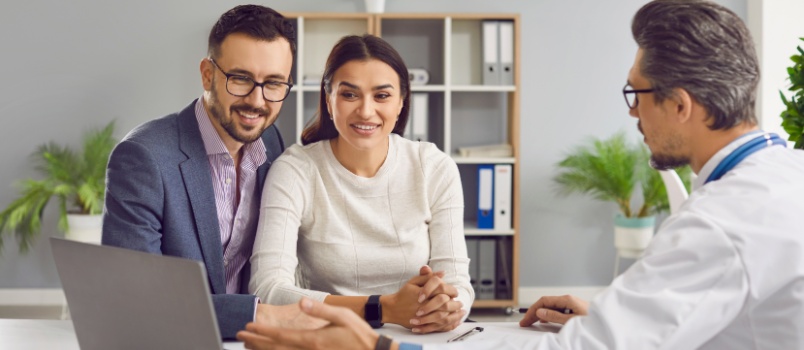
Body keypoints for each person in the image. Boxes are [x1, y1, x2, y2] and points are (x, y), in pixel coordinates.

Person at [236, 1, 804, 349]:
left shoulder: (720, 222)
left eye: (637, 93)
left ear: (680, 104)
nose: (632, 111)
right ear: (327, 100)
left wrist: (386, 343)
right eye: (348, 94)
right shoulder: (782, 177)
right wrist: (607, 317)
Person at [101, 5, 309, 339]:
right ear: (207, 74)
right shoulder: (143, 158)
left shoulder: (270, 140)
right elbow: (135, 299)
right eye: (240, 79)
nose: (257, 101)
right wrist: (266, 316)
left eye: (273, 83)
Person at [248, 34, 474, 334]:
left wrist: (447, 307)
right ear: (329, 101)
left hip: (417, 335)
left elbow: (458, 284)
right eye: (350, 95)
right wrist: (382, 308)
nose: (366, 111)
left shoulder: (434, 167)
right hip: (325, 336)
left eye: (381, 96)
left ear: (401, 104)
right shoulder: (295, 170)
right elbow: (268, 289)